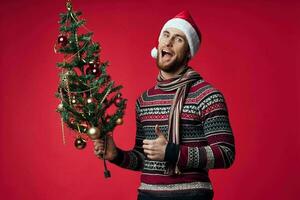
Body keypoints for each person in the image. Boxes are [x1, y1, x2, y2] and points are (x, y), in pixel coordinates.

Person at [93, 10, 235, 200]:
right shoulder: (144, 100)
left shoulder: (207, 95)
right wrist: (115, 155)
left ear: (188, 52)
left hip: (191, 195)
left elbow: (225, 154)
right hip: (148, 195)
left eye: (178, 39)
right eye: (166, 35)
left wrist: (172, 152)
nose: (168, 42)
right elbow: (145, 159)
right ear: (158, 44)